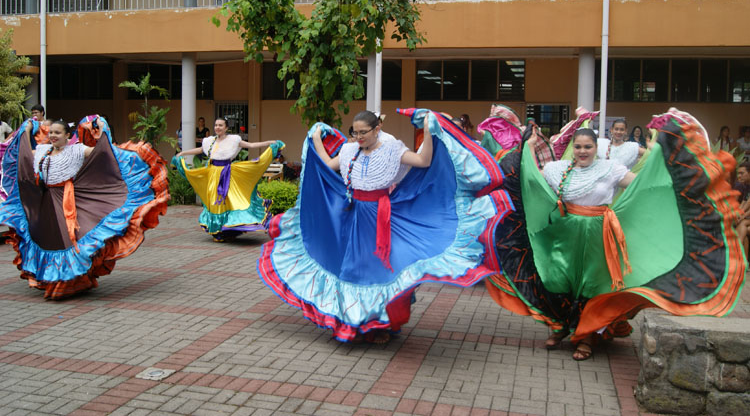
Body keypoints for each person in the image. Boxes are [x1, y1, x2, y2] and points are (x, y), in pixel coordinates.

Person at [485, 109, 746, 361]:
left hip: (599, 237)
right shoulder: (558, 169)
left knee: (591, 285)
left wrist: (661, 159)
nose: (583, 151)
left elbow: (644, 187)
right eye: (578, 147)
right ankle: (560, 327)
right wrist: (528, 147)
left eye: (588, 147)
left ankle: (586, 336)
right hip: (564, 237)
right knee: (557, 281)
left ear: (595, 148)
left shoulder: (610, 169)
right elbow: (528, 180)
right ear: (573, 149)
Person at [258, 109, 512, 344]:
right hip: (353, 216)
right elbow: (327, 165)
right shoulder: (349, 151)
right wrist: (315, 138)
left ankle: (379, 325)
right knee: (351, 270)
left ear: (376, 129)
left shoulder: (392, 148)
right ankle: (352, 321)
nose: (358, 137)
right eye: (354, 132)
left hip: (382, 217)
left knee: (380, 272)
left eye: (363, 132)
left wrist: (428, 130)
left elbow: (423, 161)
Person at [0, 116, 168, 299]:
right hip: (45, 203)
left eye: (58, 133)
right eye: (51, 133)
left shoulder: (77, 150)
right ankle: (50, 278)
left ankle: (67, 283)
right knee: (48, 241)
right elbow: (22, 153)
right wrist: (26, 129)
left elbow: (103, 153)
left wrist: (103, 130)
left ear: (67, 135)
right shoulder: (42, 150)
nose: (53, 136)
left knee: (68, 241)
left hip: (67, 201)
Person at [174, 117, 283, 242]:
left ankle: (229, 228)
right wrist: (183, 153)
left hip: (227, 173)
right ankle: (218, 229)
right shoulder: (210, 141)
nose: (217, 128)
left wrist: (268, 142)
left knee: (230, 200)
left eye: (220, 125)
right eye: (216, 125)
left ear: (226, 128)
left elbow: (251, 145)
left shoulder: (233, 140)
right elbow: (200, 150)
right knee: (215, 202)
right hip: (213, 174)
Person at [734, 162, 750, 262]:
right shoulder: (746, 186)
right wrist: (737, 213)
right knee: (745, 230)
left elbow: (749, 202)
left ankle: (735, 252)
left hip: (747, 219)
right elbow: (744, 203)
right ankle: (743, 262)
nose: (739, 176)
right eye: (738, 173)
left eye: (742, 173)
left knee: (742, 223)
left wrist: (742, 215)